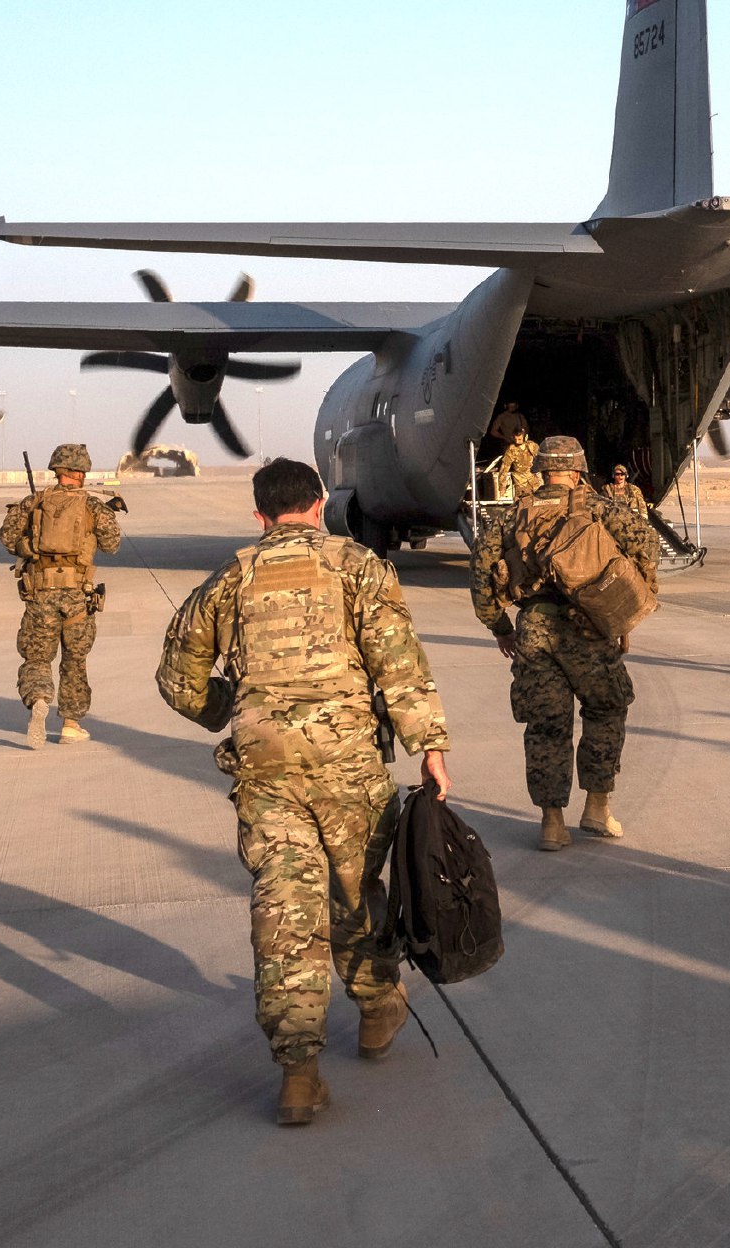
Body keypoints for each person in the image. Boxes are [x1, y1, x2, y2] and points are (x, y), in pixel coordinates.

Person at [156, 458, 452, 1126]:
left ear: (259, 515)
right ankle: (376, 1008)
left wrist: (228, 709)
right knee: (355, 893)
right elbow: (398, 661)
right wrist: (429, 746)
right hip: (349, 768)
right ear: (319, 506)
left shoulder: (229, 577)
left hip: (267, 773)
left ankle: (298, 1074)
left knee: (285, 907)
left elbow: (178, 681)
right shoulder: (358, 566)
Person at [468, 435, 661, 851]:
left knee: (547, 724)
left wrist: (500, 626)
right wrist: (626, 602)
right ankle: (597, 808)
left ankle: (552, 824)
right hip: (590, 628)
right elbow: (647, 545)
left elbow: (482, 572)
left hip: (534, 629)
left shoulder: (511, 516)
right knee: (606, 710)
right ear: (577, 471)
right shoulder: (600, 508)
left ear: (540, 470)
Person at [0, 442, 123, 749]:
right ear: (81, 473)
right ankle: (70, 724)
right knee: (75, 660)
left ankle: (39, 699)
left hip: (40, 593)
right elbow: (112, 545)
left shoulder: (34, 502)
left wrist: (30, 545)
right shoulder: (93, 506)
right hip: (78, 596)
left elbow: (8, 538)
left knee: (37, 657)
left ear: (57, 470)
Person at [500, 429, 541, 499]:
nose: (517, 441)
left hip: (534, 480)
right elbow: (504, 468)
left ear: (525, 438)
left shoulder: (531, 446)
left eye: (519, 439)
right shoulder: (512, 449)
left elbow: (541, 459)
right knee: (522, 501)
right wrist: (502, 487)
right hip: (520, 481)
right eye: (515, 439)